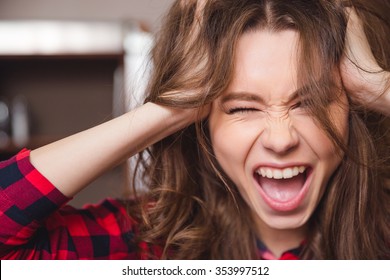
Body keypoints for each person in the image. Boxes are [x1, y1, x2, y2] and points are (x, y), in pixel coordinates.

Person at [0, 0, 389, 260]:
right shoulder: (152, 241)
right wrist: (169, 110)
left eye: (309, 103)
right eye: (241, 107)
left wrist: (380, 88)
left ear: (353, 109)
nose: (281, 139)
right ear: (201, 122)